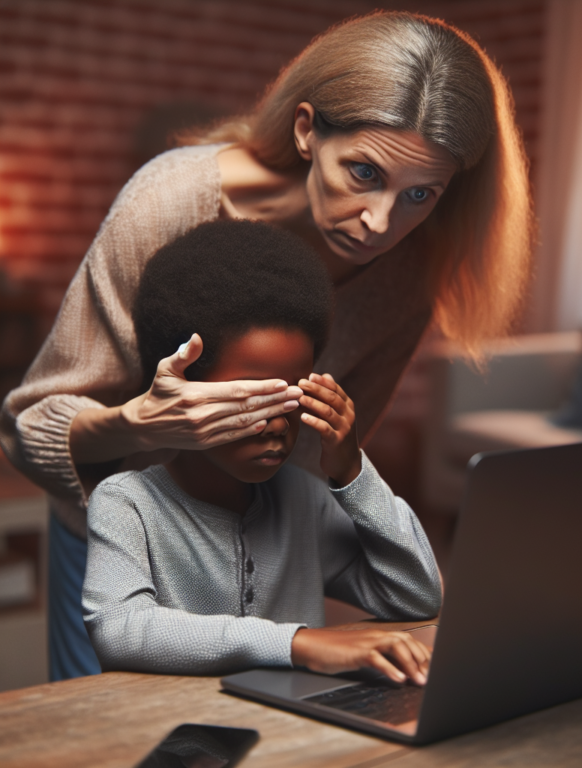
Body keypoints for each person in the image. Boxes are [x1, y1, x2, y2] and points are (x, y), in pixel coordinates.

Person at [0, 11, 533, 680]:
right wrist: (140, 422)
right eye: (364, 173)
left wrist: (335, 498)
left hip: (258, 546)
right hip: (115, 539)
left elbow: (320, 462)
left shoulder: (407, 271)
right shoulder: (169, 204)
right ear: (308, 131)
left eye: (420, 194)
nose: (380, 223)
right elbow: (28, 431)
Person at [83, 219, 441, 681]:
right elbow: (120, 630)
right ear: (184, 392)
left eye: (292, 396)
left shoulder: (304, 499)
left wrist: (352, 472)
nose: (276, 424)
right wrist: (297, 642)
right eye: (250, 398)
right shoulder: (127, 503)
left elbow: (416, 596)